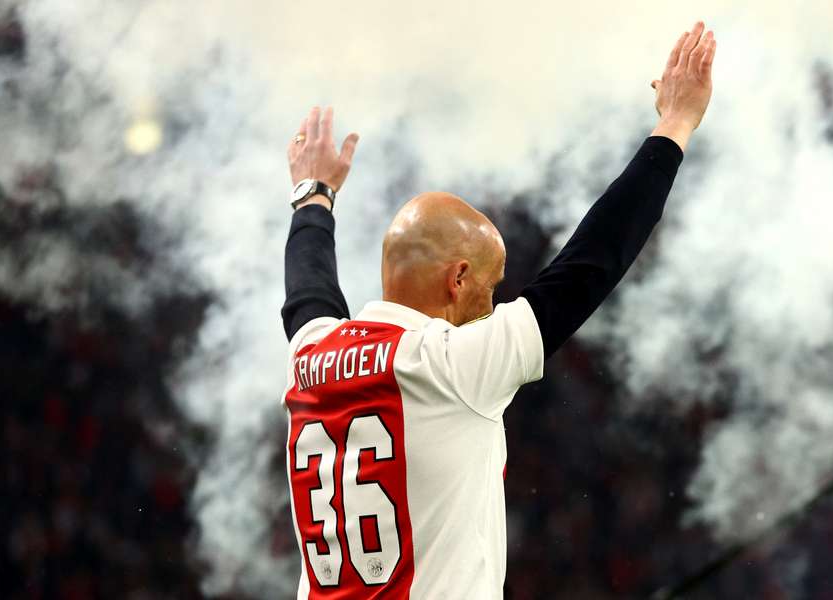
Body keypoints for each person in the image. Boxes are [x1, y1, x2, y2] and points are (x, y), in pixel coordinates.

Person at [280, 21, 716, 599]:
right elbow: (589, 265)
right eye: (491, 286)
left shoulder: (309, 355)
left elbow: (307, 293)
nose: (494, 305)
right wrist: (675, 124)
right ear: (458, 279)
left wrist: (314, 194)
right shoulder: (453, 366)